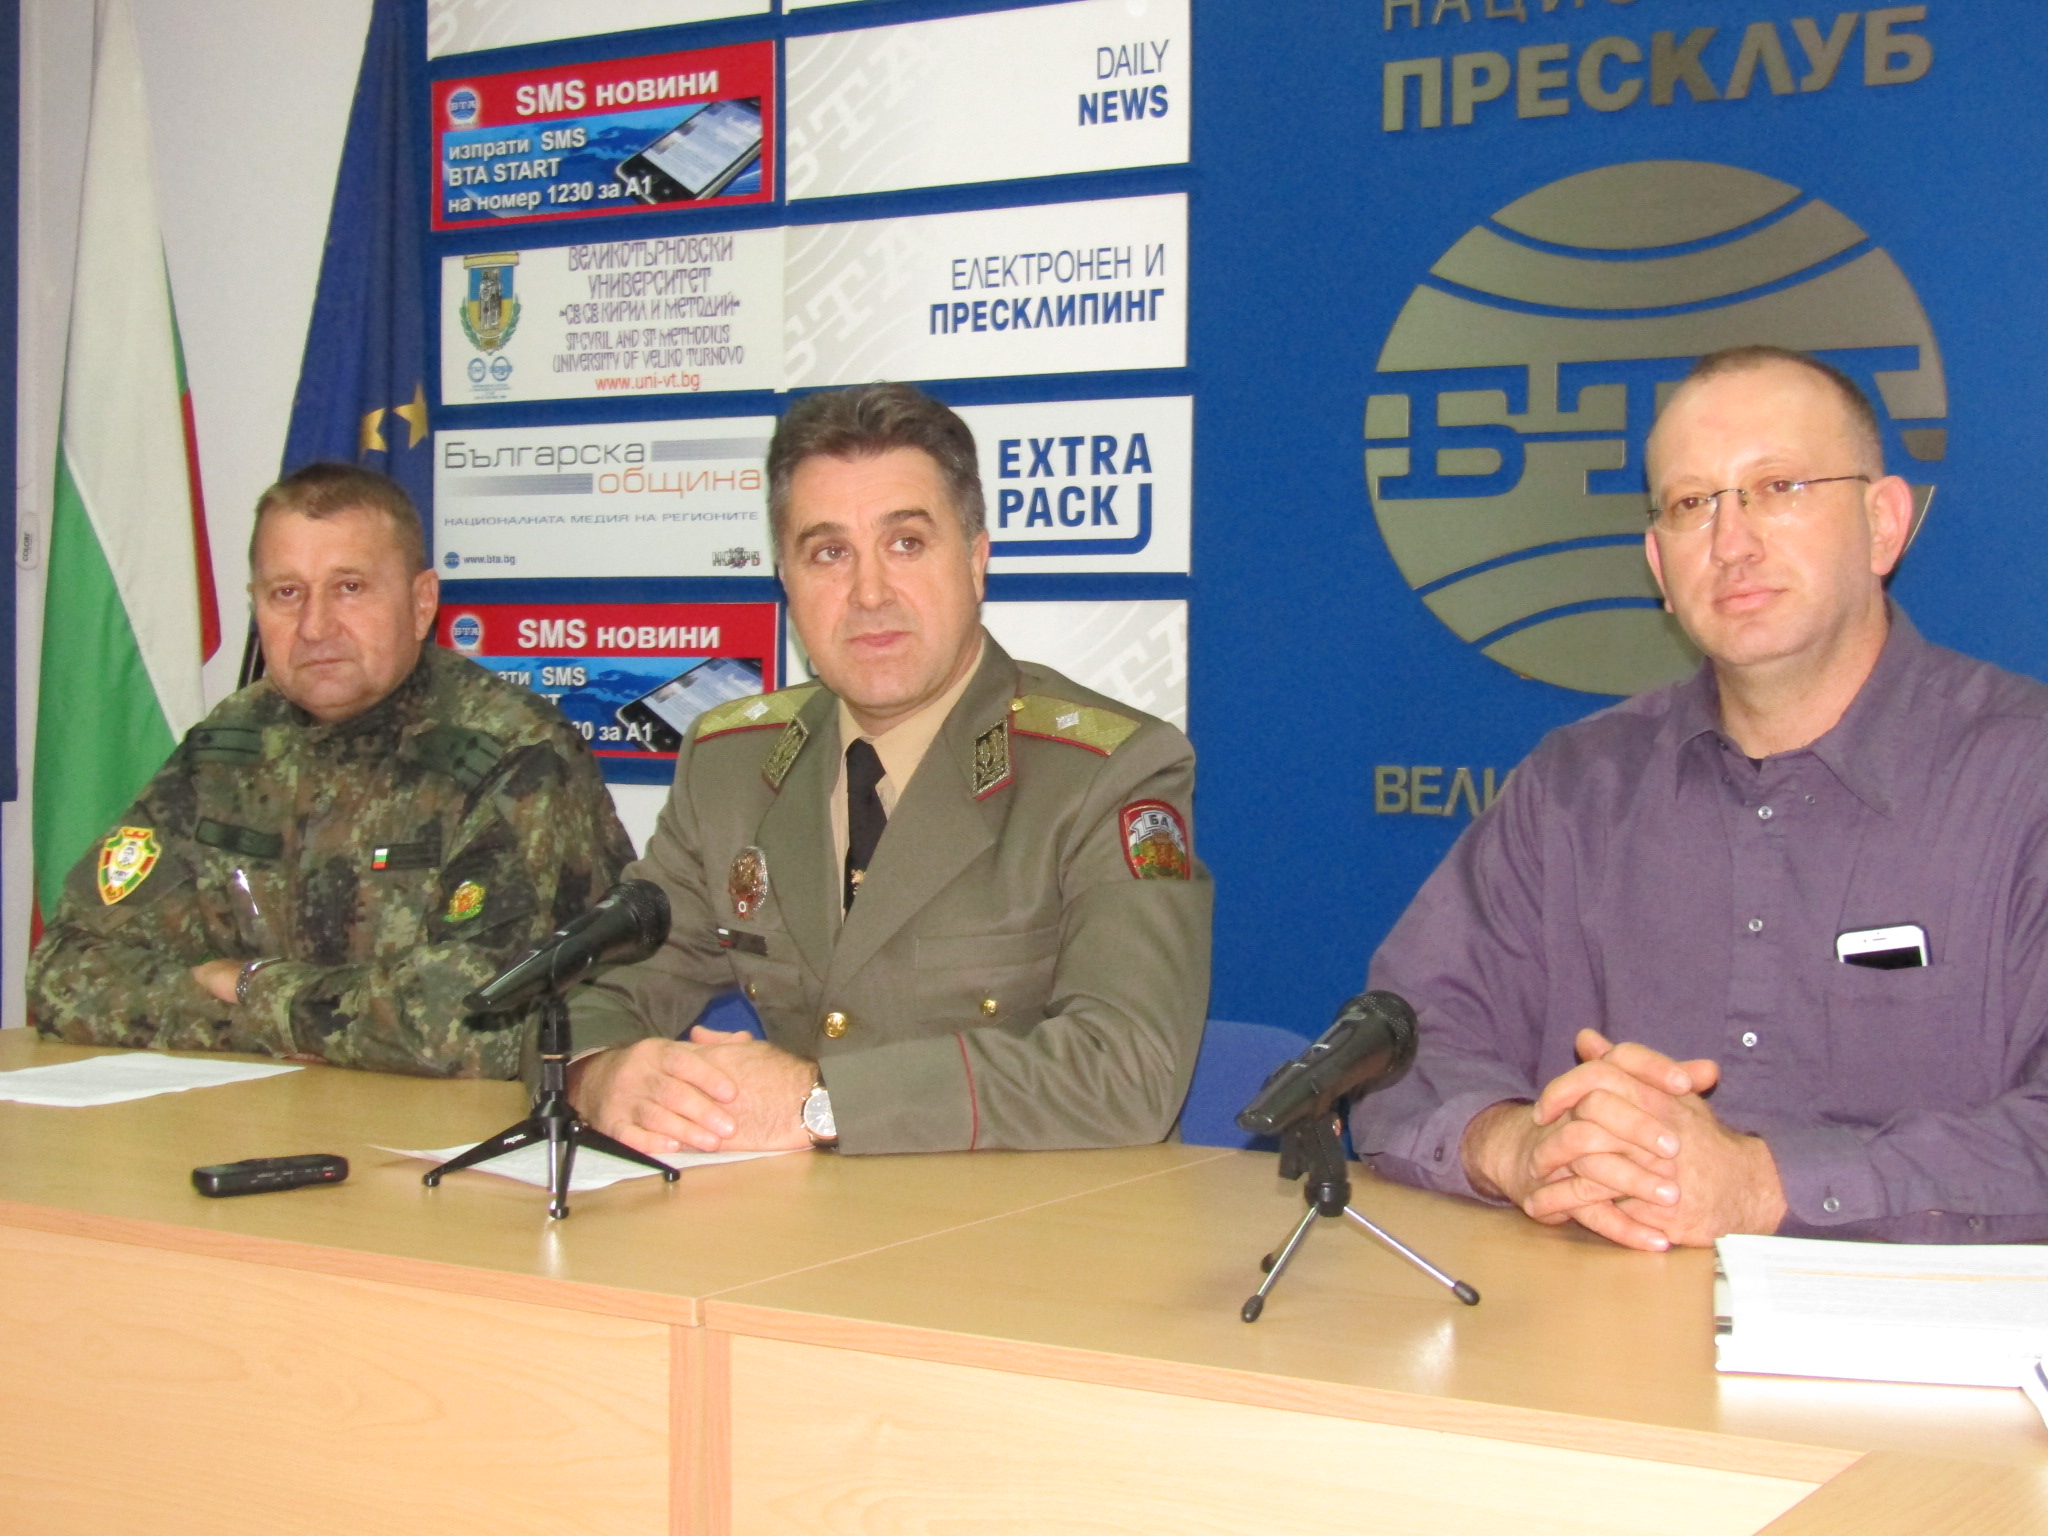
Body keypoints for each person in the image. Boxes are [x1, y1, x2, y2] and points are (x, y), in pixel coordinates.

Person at [1352, 345, 2048, 1248]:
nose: (1732, 543)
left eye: (1779, 488)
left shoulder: (2024, 775)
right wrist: (1520, 1146)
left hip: (1932, 1332)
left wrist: (1764, 1185)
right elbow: (1401, 1042)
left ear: (1884, 524)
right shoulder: (1576, 789)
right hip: (1598, 1318)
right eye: (1692, 505)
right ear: (1658, 566)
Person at [567, 382, 1212, 1155]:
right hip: (789, 1217)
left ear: (976, 561)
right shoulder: (731, 762)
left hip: (1030, 1220)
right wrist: (600, 1073)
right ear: (786, 581)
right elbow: (599, 988)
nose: (869, 593)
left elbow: (1130, 1070)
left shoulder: (1105, 772)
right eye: (829, 553)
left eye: (906, 544)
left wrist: (820, 1105)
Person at [29, 463, 634, 1077]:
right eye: (286, 594)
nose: (315, 627)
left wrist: (249, 985)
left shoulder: (513, 753)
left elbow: (467, 1028)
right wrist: (262, 1022)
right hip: (261, 1111)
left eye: (349, 587)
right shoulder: (228, 746)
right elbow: (64, 972)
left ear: (421, 603)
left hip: (454, 1127)